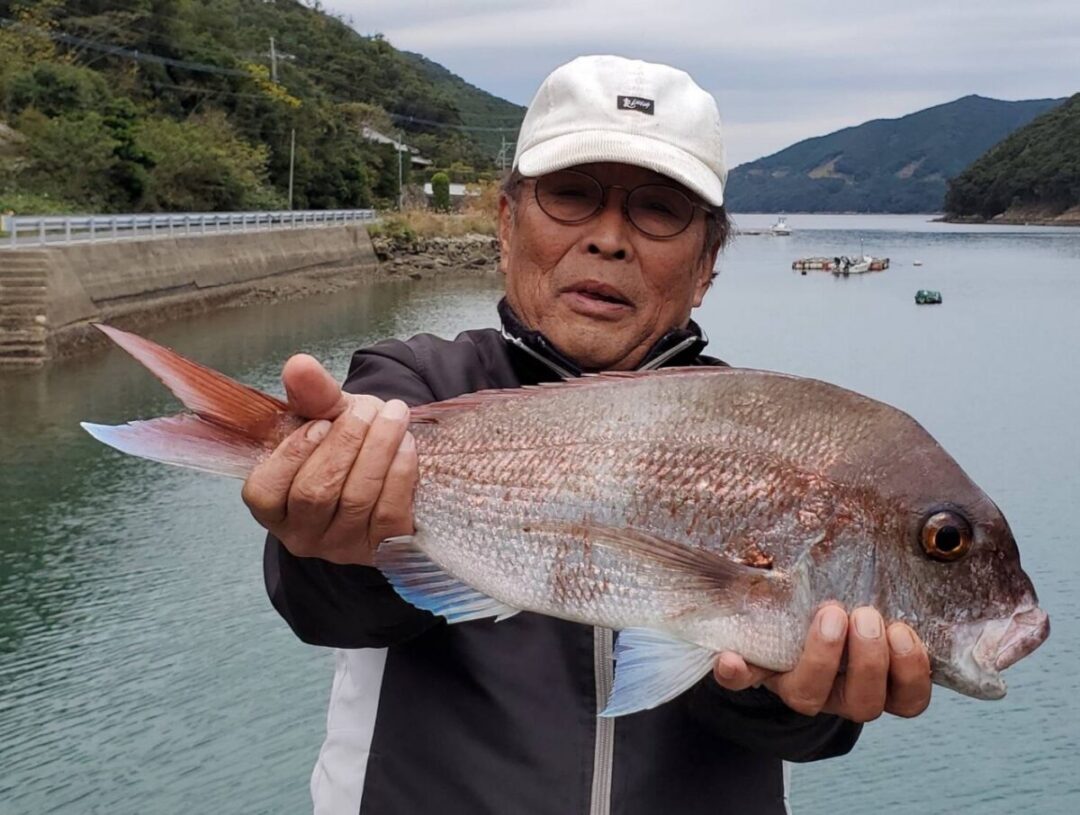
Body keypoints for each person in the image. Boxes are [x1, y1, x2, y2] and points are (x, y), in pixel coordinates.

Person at [243, 55, 932, 815]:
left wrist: (791, 692)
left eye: (659, 209)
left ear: (707, 264)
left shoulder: (778, 446)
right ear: (507, 226)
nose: (609, 238)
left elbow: (801, 734)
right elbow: (327, 608)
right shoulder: (412, 388)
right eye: (571, 196)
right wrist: (331, 539)